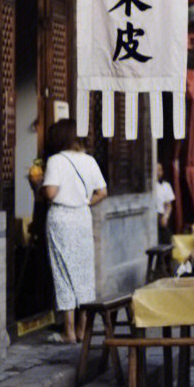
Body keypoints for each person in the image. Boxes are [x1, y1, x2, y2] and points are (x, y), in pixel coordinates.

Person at [41, 119, 107, 344]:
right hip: (82, 218)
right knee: (84, 272)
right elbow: (103, 191)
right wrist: (85, 202)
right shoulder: (89, 160)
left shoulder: (56, 161)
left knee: (63, 272)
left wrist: (38, 184)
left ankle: (68, 332)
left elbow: (50, 193)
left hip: (61, 218)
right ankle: (82, 330)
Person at [153, 161, 175, 243]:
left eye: (160, 170)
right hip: (151, 216)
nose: (158, 172)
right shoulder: (149, 187)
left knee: (166, 240)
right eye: (156, 170)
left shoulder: (166, 186)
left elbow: (168, 205)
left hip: (160, 217)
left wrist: (165, 217)